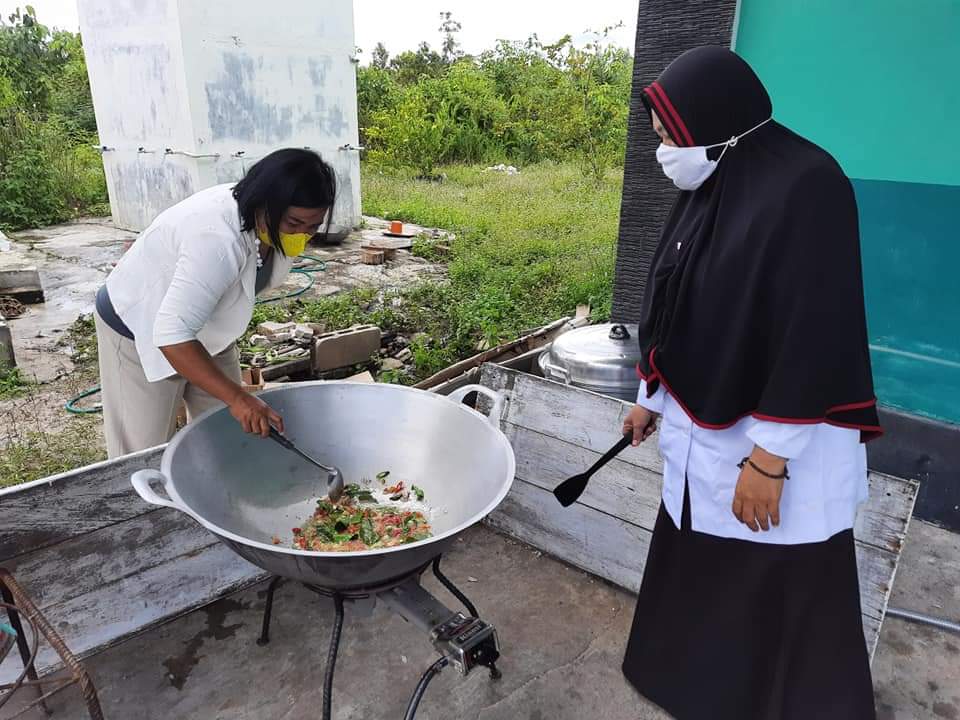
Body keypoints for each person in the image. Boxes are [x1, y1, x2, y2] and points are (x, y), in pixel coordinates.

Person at [619, 46, 882, 720]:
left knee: (777, 584)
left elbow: (815, 331)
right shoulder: (714, 178)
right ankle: (695, 689)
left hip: (777, 439)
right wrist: (649, 399)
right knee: (701, 563)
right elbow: (673, 300)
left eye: (668, 135)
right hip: (700, 424)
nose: (663, 150)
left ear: (717, 120)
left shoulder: (808, 186)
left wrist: (769, 460)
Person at [94, 148, 336, 458]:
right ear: (266, 203)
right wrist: (238, 397)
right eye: (294, 222)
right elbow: (171, 334)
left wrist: (235, 400)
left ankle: (222, 499)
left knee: (228, 434)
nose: (303, 234)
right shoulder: (217, 240)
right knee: (142, 451)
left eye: (313, 225)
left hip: (204, 330)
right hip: (137, 328)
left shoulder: (271, 227)